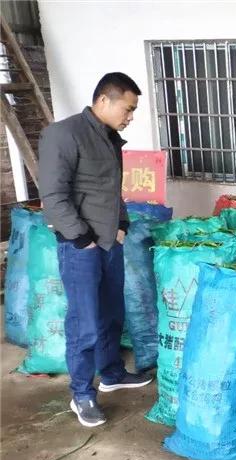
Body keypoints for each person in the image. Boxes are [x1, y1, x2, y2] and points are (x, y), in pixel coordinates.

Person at [39, 72, 153, 428]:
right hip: (81, 248)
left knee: (111, 314)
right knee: (85, 323)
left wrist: (121, 227)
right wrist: (81, 239)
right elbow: (54, 197)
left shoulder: (108, 137)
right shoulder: (64, 133)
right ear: (104, 100)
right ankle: (82, 394)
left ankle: (113, 374)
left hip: (108, 243)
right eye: (128, 108)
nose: (131, 116)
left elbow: (111, 190)